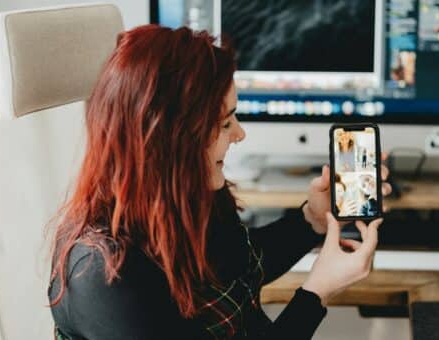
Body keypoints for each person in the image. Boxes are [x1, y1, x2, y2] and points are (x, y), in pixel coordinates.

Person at [48, 24, 391, 339]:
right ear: (173, 138)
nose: (240, 134)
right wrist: (316, 293)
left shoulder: (187, 193)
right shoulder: (107, 276)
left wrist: (311, 221)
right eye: (225, 123)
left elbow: (238, 270)